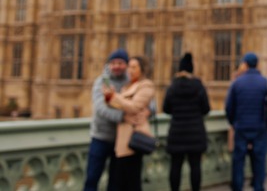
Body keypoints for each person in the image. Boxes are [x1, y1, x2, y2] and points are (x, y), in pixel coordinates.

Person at [225, 52, 267, 191]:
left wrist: (234, 122)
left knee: (238, 161)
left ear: (244, 64)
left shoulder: (236, 83)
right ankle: (258, 186)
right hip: (260, 127)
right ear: (257, 64)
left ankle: (238, 187)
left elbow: (228, 107)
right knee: (259, 160)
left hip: (241, 127)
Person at [103, 56, 156, 191]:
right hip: (121, 140)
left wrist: (115, 97)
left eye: (134, 67)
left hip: (133, 140)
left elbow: (134, 107)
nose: (130, 70)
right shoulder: (127, 86)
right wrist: (110, 96)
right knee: (120, 182)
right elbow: (114, 105)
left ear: (142, 69)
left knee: (131, 182)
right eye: (129, 67)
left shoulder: (146, 85)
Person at [163, 53, 211, 191]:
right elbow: (206, 109)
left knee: (175, 166)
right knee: (195, 166)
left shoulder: (172, 86)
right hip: (195, 132)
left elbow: (166, 108)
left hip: (177, 132)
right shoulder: (198, 86)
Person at [84, 49, 129, 191]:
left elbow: (149, 104)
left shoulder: (131, 82)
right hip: (100, 137)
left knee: (116, 182)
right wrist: (123, 115)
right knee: (92, 178)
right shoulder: (103, 81)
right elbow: (101, 108)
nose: (116, 66)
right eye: (113, 63)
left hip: (121, 139)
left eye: (120, 63)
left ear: (126, 65)